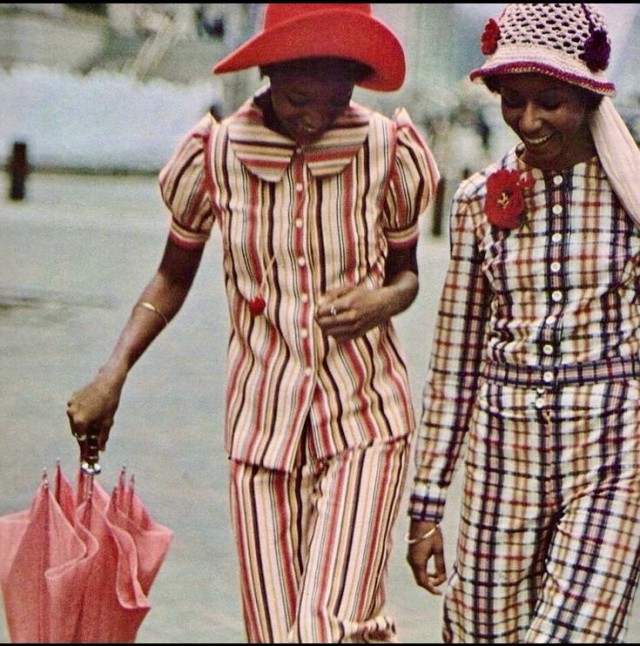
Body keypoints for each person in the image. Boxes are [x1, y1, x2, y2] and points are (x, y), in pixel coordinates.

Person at [66, 4, 440, 643]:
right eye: (297, 99)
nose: (313, 116)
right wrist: (114, 370)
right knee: (274, 634)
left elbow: (406, 277)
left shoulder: (386, 151)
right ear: (267, 72)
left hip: (367, 422)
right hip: (261, 432)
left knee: (327, 627)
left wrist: (380, 301)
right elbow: (171, 277)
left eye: (336, 97)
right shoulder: (217, 154)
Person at [405, 3, 640, 643]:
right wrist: (426, 507)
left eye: (549, 102)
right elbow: (454, 363)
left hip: (613, 458)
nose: (528, 121)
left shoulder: (631, 195)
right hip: (501, 457)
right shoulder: (477, 202)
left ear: (588, 98)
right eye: (513, 100)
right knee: (484, 633)